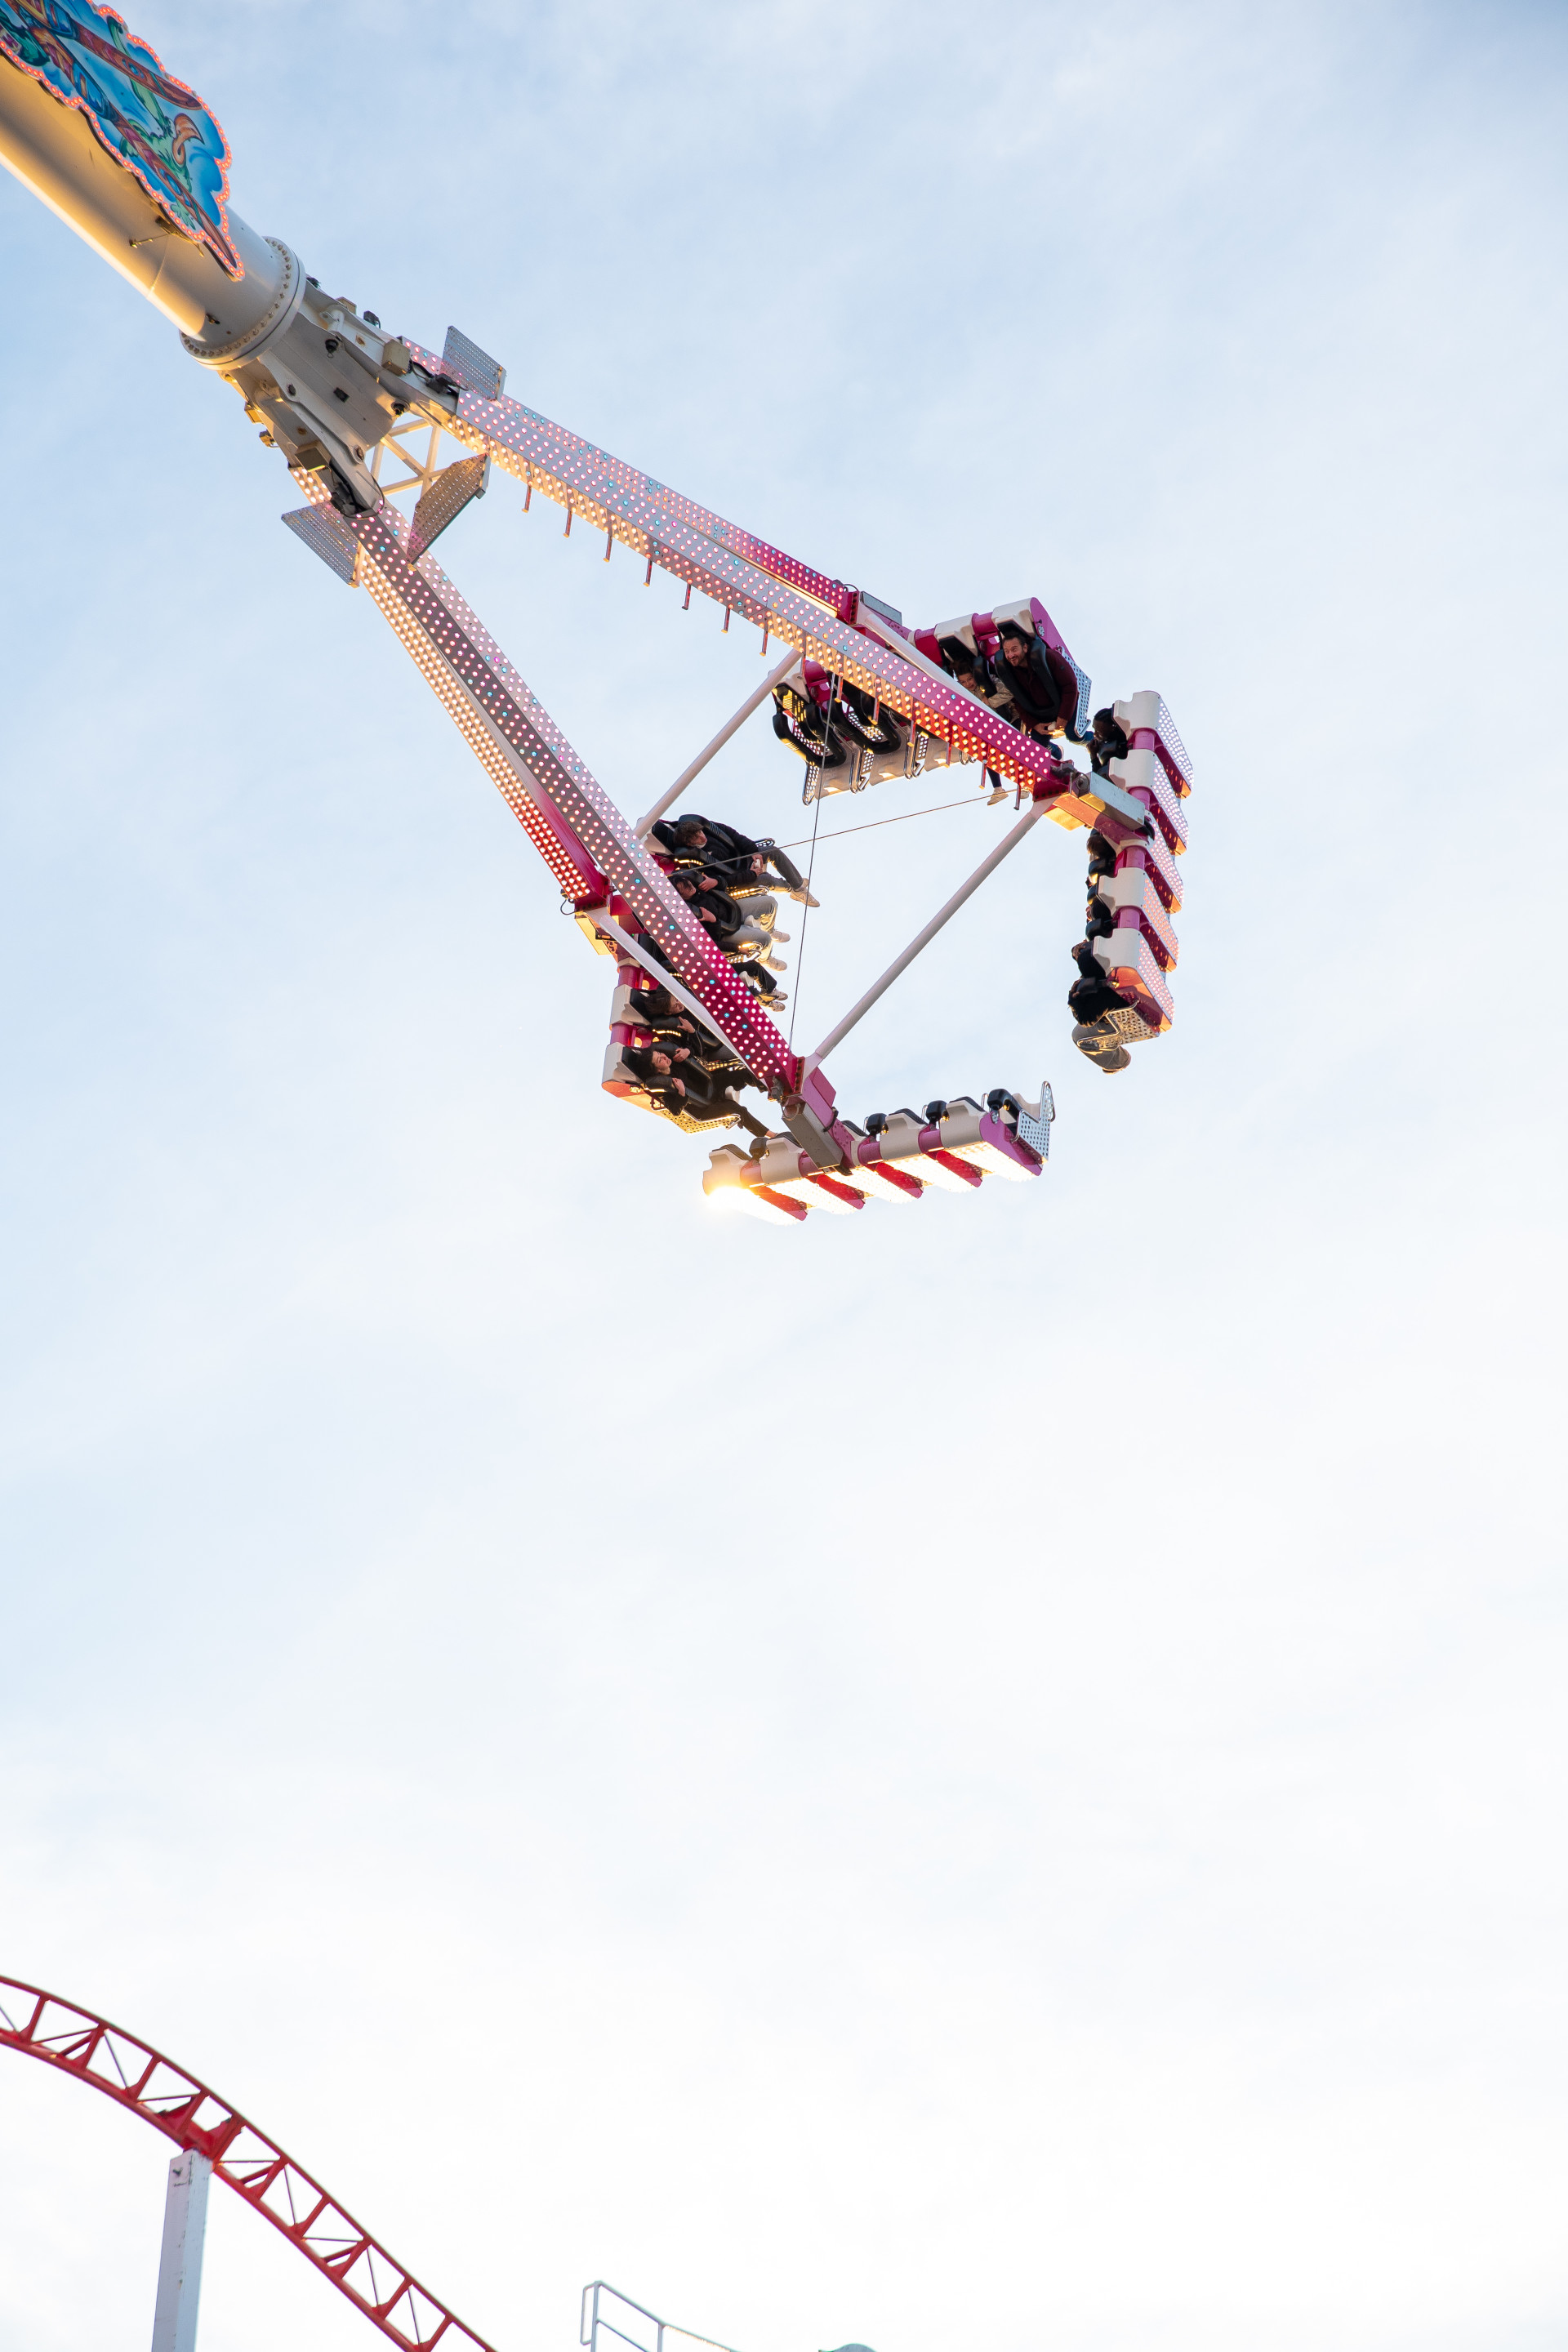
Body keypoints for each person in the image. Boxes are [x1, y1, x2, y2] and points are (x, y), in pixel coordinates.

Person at [669, 815, 821, 908]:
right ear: (689, 843)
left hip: (743, 858)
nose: (702, 837)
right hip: (737, 877)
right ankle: (790, 887)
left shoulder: (710, 829)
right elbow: (724, 881)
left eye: (700, 832)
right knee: (766, 880)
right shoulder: (696, 861)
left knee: (772, 851)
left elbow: (736, 836)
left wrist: (754, 852)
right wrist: (751, 874)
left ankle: (798, 888)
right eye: (696, 837)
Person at [996, 624, 1067, 740]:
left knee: (1073, 735)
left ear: (1025, 648)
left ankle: (1093, 742)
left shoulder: (1048, 657)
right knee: (1036, 743)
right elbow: (1018, 701)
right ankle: (1054, 750)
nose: (1010, 655)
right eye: (1007, 651)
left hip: (1063, 705)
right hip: (1040, 715)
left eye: (1014, 650)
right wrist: (1033, 724)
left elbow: (1070, 686)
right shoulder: (1010, 673)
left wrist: (1064, 716)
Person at [1088, 707, 1129, 778]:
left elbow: (1099, 779)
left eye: (1099, 732)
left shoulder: (1120, 749)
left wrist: (1093, 756)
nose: (1095, 734)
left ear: (1112, 728)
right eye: (1094, 729)